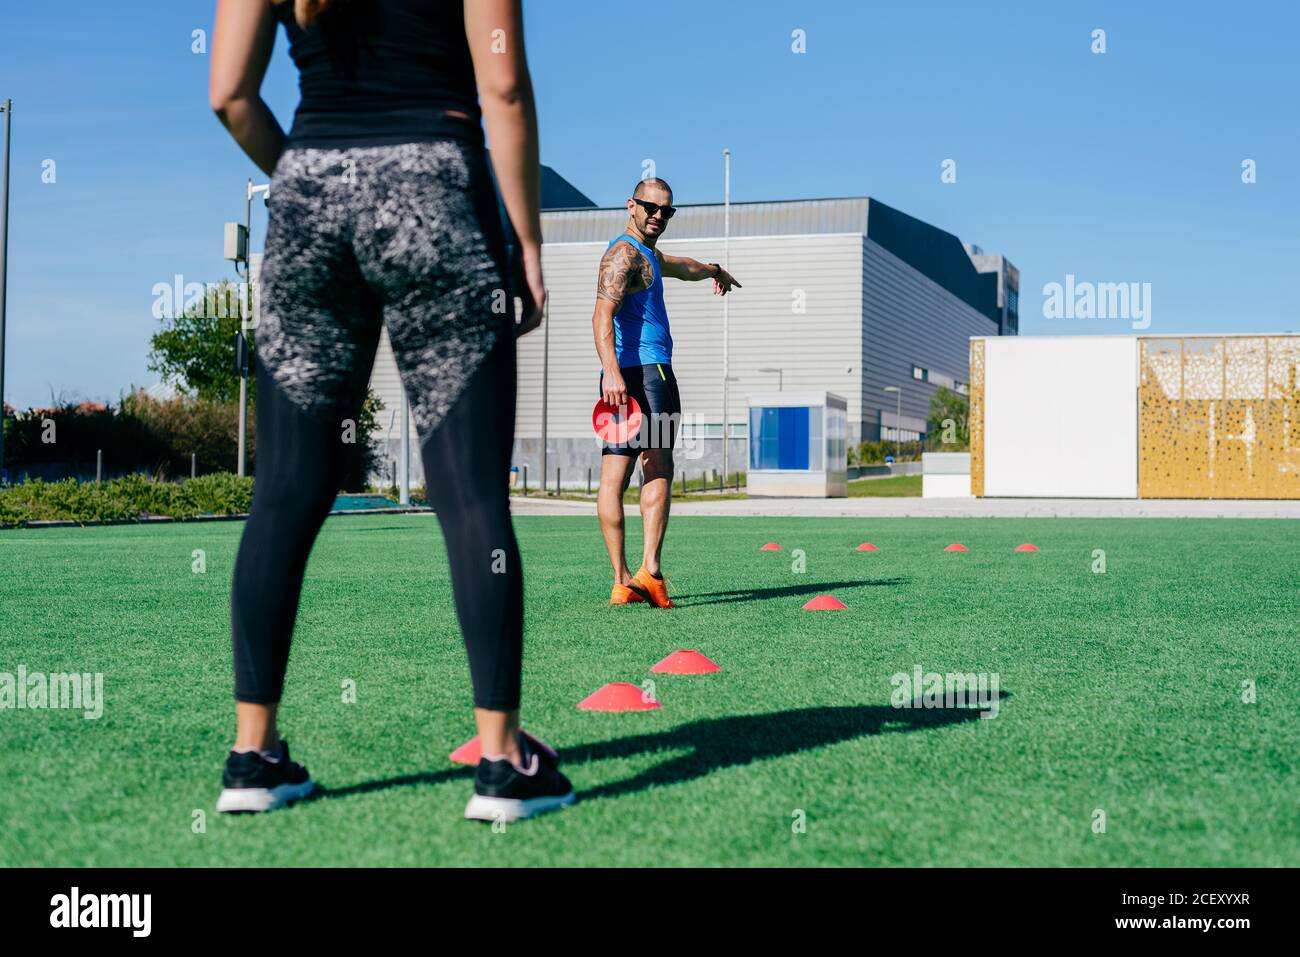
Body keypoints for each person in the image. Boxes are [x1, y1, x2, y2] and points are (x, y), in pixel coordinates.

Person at [209, 0, 573, 822]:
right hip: (436, 189)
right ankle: (503, 761)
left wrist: (306, 175)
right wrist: (527, 239)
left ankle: (252, 755)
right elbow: (504, 86)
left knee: (284, 490)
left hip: (307, 198)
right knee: (472, 492)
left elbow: (230, 94)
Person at [592, 178, 741, 607]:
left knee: (614, 475)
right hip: (647, 375)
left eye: (667, 211)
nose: (658, 215)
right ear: (631, 205)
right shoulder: (623, 255)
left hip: (622, 377)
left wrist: (715, 270)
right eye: (650, 208)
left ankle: (623, 581)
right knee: (656, 467)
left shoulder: (648, 255)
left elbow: (682, 266)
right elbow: (601, 315)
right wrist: (612, 373)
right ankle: (649, 573)